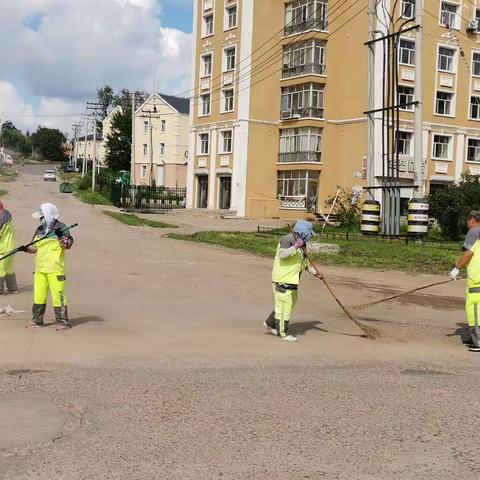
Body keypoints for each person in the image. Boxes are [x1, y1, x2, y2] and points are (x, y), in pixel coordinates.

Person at [263, 220, 323, 342]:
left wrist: (316, 273)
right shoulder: (287, 239)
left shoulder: (303, 244)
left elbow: (305, 264)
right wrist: (294, 246)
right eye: (309, 233)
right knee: (284, 305)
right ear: (303, 232)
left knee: (290, 303)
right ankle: (282, 333)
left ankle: (270, 323)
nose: (310, 236)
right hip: (282, 278)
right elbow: (282, 255)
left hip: (293, 280)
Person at [25, 203, 73, 330]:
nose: (40, 219)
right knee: (38, 295)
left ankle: (63, 322)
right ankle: (37, 321)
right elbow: (34, 247)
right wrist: (28, 248)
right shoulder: (40, 229)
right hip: (40, 269)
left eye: (42, 216)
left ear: (48, 215)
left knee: (59, 296)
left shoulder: (61, 228)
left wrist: (60, 237)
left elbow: (68, 244)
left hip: (55, 269)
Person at [450, 210, 480, 352]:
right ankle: (474, 337)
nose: (467, 222)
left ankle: (478, 341)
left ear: (473, 219)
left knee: (475, 310)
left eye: (468, 219)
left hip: (477, 280)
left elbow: (468, 253)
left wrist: (457, 267)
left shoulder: (474, 232)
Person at [0, 201, 18, 294]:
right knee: (9, 268)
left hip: (4, 248)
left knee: (0, 269)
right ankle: (12, 288)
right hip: (11, 247)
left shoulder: (1, 219)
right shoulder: (7, 214)